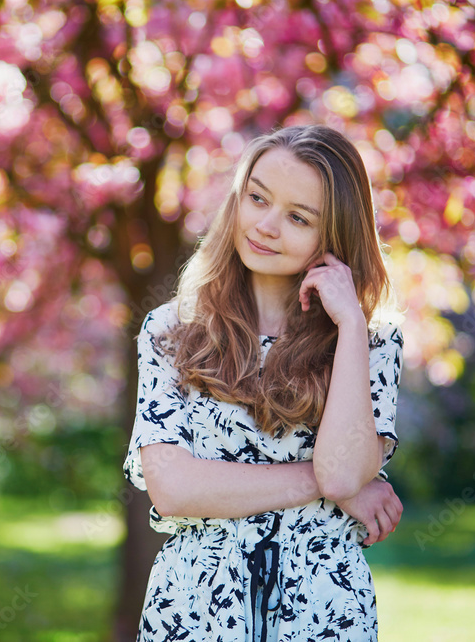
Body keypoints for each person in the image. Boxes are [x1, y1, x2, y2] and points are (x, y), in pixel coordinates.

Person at [122, 124, 405, 641]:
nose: (267, 226)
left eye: (298, 217)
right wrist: (325, 486)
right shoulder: (170, 330)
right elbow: (174, 489)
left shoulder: (370, 342)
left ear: (336, 236)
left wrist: (350, 328)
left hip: (323, 608)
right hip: (195, 610)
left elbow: (343, 476)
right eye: (258, 198)